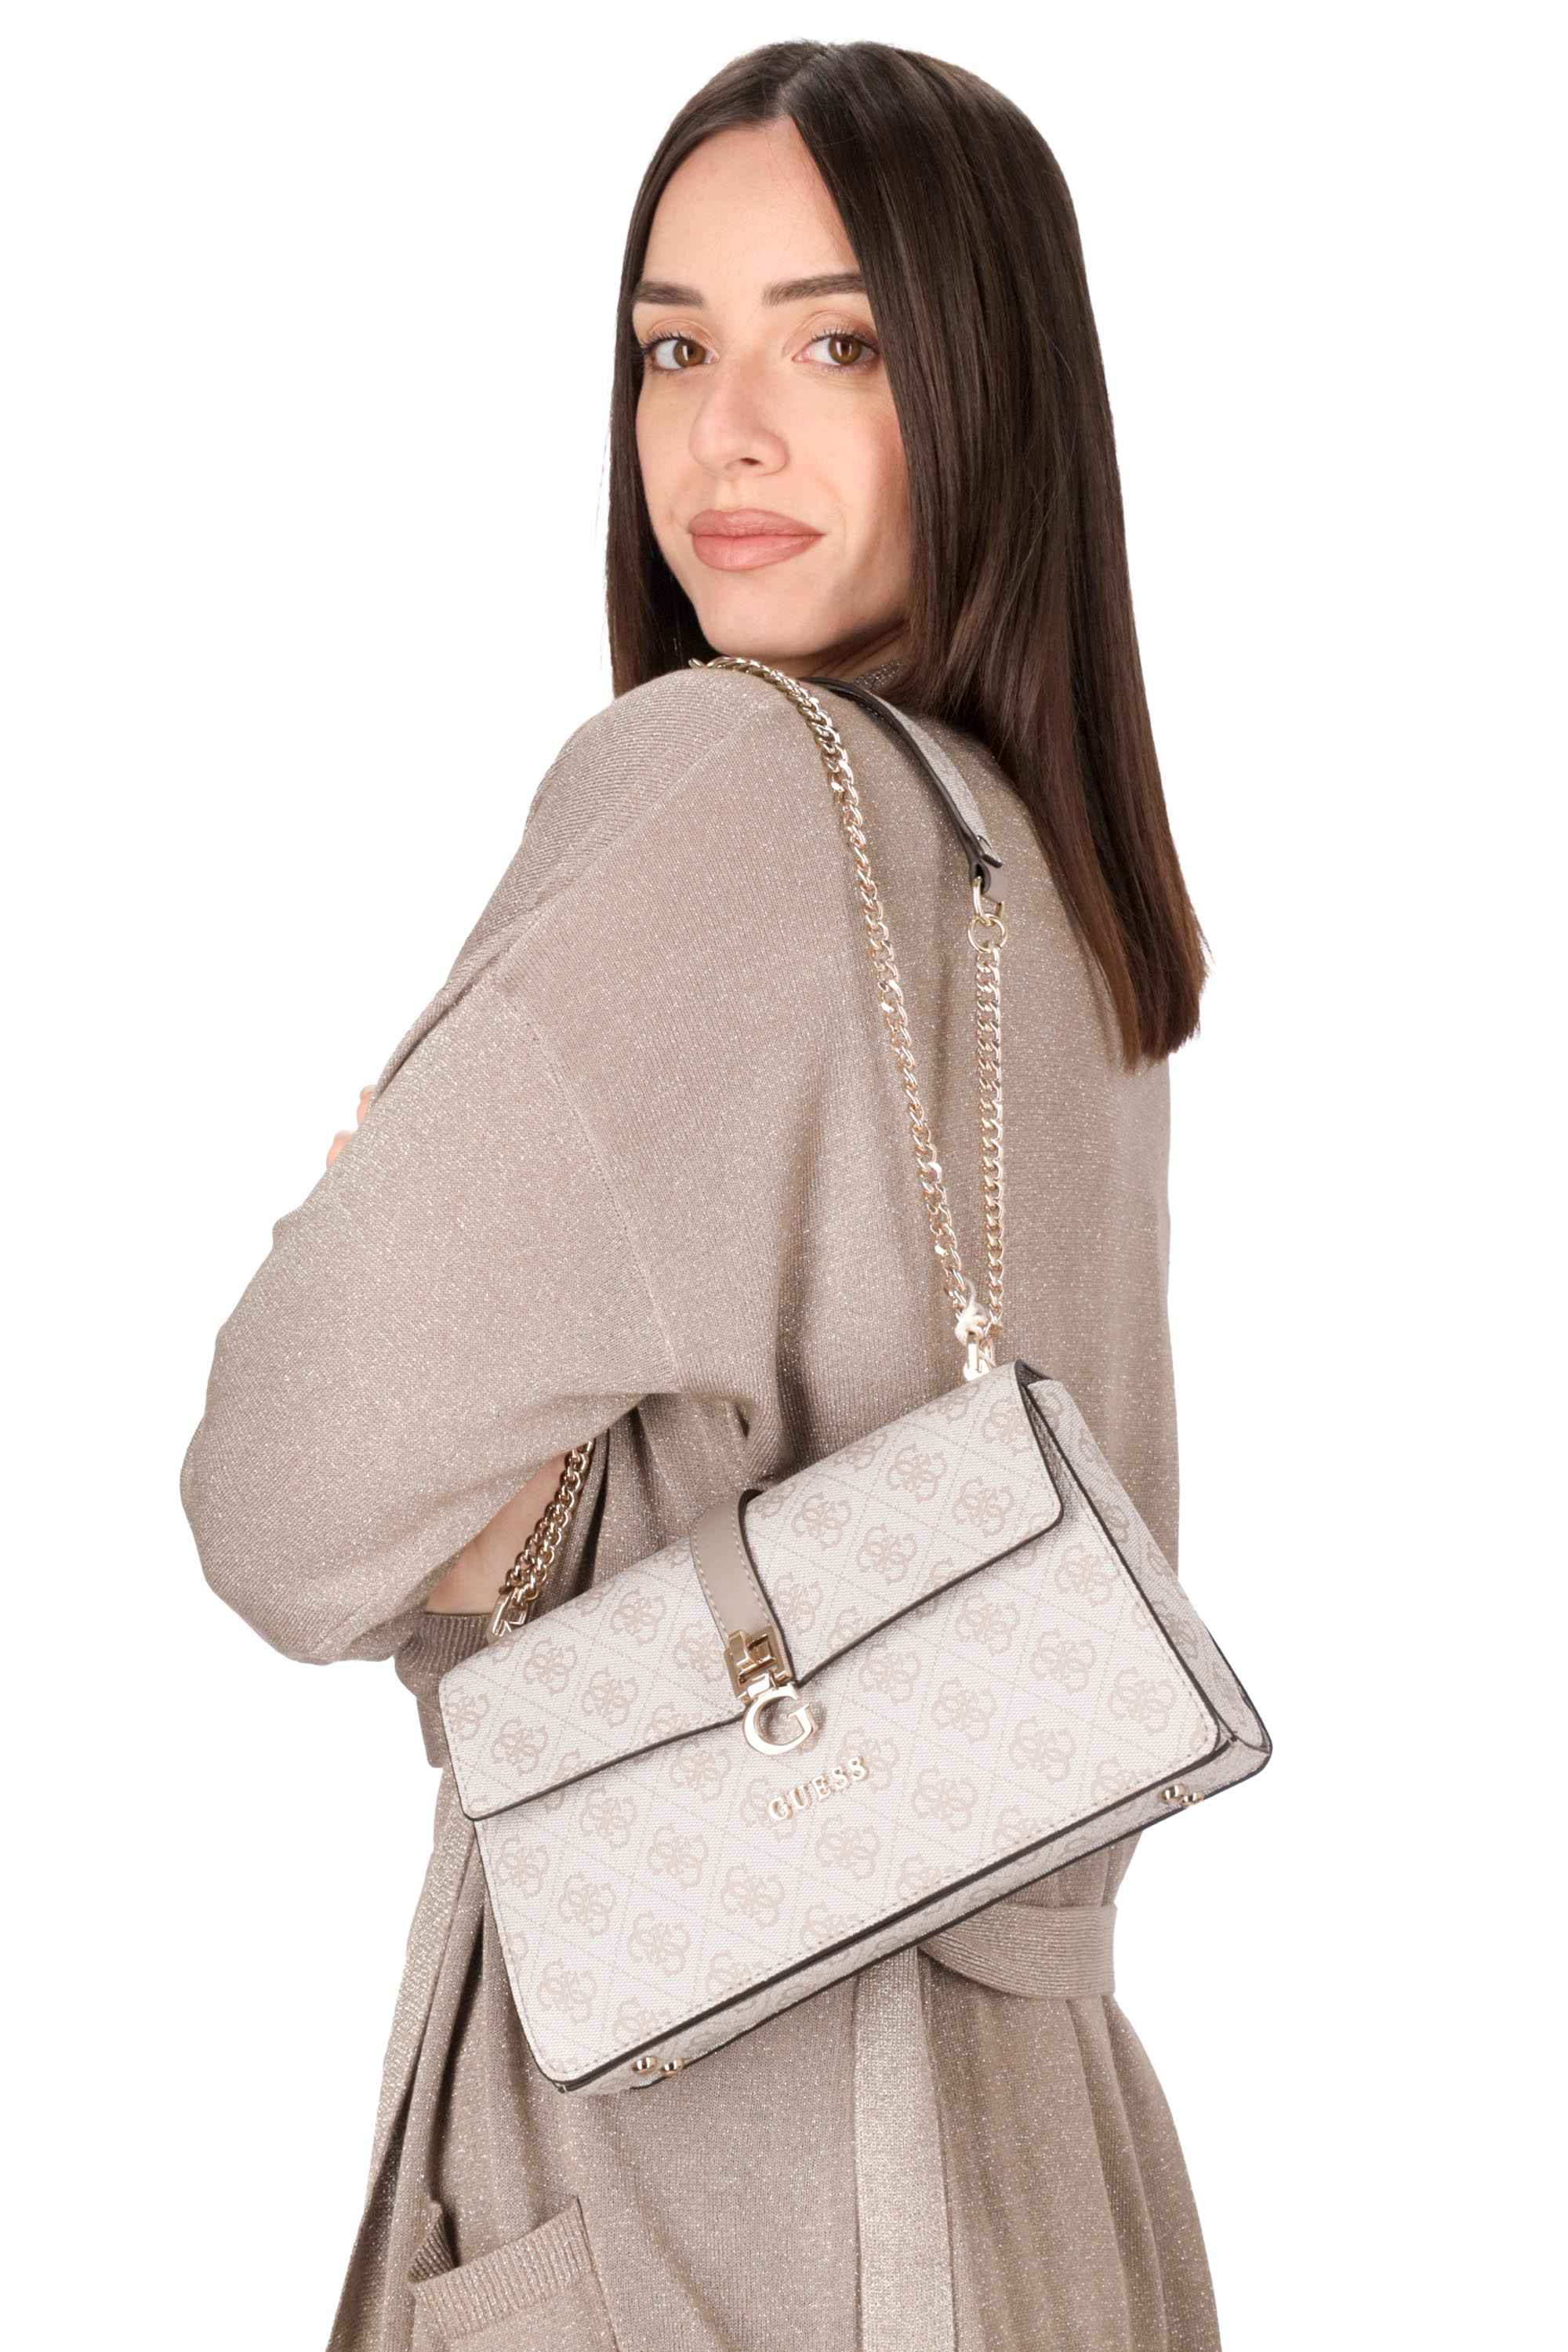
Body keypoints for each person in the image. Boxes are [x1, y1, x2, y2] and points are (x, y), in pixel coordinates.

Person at [182, 38, 1220, 2352]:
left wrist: (513, 1519)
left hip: (713, 2200)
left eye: (836, 346)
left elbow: (275, 1485)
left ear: (992, 390)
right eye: (674, 348)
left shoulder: (727, 792)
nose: (724, 433)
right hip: (1051, 2179)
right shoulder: (1064, 889)